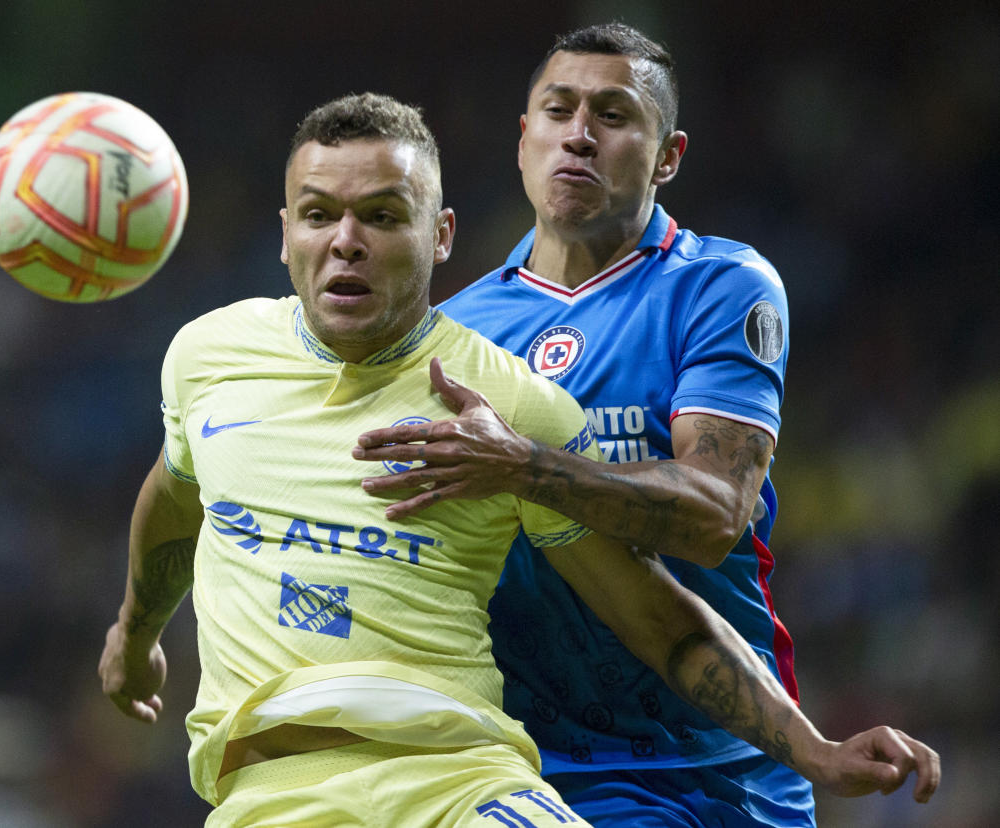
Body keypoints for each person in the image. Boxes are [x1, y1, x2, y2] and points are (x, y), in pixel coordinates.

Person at [97, 92, 927, 827]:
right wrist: (137, 634)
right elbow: (175, 496)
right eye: (319, 215)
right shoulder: (207, 357)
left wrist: (812, 750)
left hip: (463, 784)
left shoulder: (512, 408)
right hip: (279, 792)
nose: (345, 242)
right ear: (286, 236)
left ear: (441, 234)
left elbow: (653, 616)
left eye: (384, 216)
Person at [351, 24, 940, 826]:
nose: (580, 135)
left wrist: (523, 465)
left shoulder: (719, 287)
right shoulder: (454, 333)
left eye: (614, 115)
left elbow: (711, 514)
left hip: (709, 772)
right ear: (524, 140)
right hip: (515, 773)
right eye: (557, 111)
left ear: (669, 156)